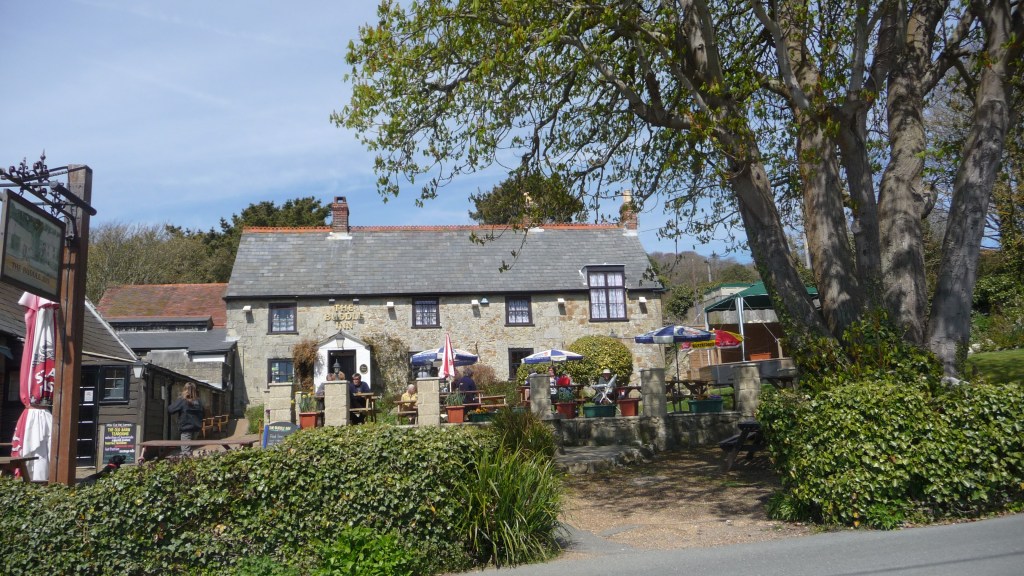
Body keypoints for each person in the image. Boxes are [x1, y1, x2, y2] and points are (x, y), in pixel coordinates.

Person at [167, 382, 204, 455]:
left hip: (186, 429)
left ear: (185, 390)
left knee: (185, 452)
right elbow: (203, 413)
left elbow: (171, 409)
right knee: (190, 450)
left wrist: (180, 398)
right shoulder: (198, 401)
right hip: (196, 428)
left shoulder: (183, 401)